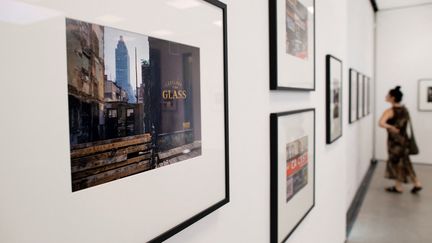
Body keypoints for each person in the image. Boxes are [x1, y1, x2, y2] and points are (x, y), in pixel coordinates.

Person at [378, 86, 422, 193]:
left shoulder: (389, 111)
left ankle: (416, 183)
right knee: (402, 162)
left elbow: (381, 123)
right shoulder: (405, 109)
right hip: (404, 140)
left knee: (399, 162)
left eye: (388, 95)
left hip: (395, 142)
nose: (386, 97)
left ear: (392, 98)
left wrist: (391, 127)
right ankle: (399, 186)